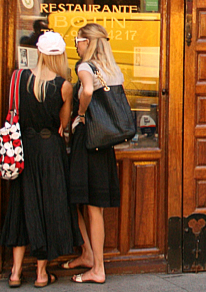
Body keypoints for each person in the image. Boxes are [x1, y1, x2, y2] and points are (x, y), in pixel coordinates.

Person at [0, 31, 79, 288]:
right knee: (47, 208)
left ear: (39, 53)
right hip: (50, 151)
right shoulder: (63, 86)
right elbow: (63, 124)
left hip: (24, 148)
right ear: (61, 56)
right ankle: (42, 274)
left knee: (22, 208)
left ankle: (15, 271)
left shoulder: (19, 77)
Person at [65, 23, 123, 284]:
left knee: (91, 206)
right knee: (85, 201)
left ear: (88, 42)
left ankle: (97, 268)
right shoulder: (112, 69)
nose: (75, 44)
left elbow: (87, 91)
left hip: (88, 142)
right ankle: (88, 254)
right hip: (103, 144)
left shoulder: (85, 67)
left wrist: (78, 114)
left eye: (78, 39)